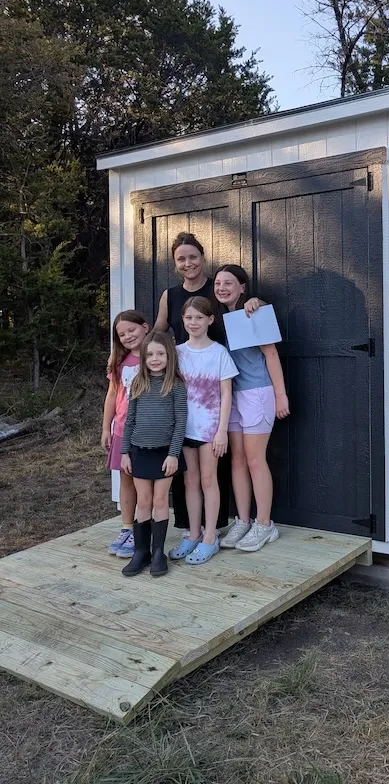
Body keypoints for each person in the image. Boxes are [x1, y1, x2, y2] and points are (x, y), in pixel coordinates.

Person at [152, 231, 260, 533]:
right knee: (187, 472)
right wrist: (130, 359)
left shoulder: (218, 289)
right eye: (181, 259)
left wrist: (256, 301)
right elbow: (158, 334)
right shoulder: (169, 296)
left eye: (193, 257)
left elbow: (244, 301)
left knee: (217, 464)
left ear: (202, 258)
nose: (188, 263)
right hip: (185, 392)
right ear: (175, 263)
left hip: (222, 384)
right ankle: (190, 527)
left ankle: (218, 526)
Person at [214, 265, 290, 552]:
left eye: (229, 283)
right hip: (231, 397)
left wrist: (281, 396)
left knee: (256, 460)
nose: (222, 287)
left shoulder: (253, 312)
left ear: (243, 287)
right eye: (218, 283)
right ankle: (243, 520)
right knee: (237, 461)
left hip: (257, 393)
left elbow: (271, 354)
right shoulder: (217, 318)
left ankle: (265, 524)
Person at [168, 297, 238, 565]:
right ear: (183, 321)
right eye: (189, 318)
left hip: (209, 431)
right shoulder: (177, 352)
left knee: (210, 482)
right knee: (190, 482)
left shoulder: (219, 353)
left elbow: (226, 394)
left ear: (210, 320)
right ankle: (193, 533)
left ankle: (210, 536)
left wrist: (222, 431)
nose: (194, 322)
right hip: (183, 429)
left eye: (199, 317)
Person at [119, 331, 187, 577]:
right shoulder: (138, 383)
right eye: (150, 354)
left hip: (164, 454)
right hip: (139, 451)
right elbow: (129, 421)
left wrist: (173, 454)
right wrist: (125, 451)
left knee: (160, 501)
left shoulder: (176, 385)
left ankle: (158, 551)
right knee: (143, 501)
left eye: (160, 354)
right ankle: (141, 551)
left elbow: (181, 423)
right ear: (144, 357)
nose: (155, 359)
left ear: (169, 355)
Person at [101, 310, 149, 559]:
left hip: (148, 432)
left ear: (145, 327)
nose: (128, 336)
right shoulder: (119, 362)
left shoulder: (156, 357)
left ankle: (143, 530)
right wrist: (106, 428)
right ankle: (127, 528)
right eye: (122, 334)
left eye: (132, 330)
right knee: (126, 480)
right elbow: (112, 395)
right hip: (121, 430)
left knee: (144, 482)